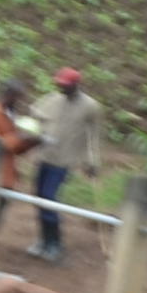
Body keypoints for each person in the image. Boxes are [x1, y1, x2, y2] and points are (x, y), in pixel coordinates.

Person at [33, 68, 103, 260]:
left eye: (64, 85)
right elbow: (35, 112)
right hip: (44, 156)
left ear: (75, 85)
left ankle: (55, 243)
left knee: (49, 198)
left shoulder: (90, 107)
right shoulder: (52, 98)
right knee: (38, 198)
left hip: (64, 161)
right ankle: (43, 240)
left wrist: (92, 162)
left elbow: (93, 137)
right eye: (59, 84)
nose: (60, 88)